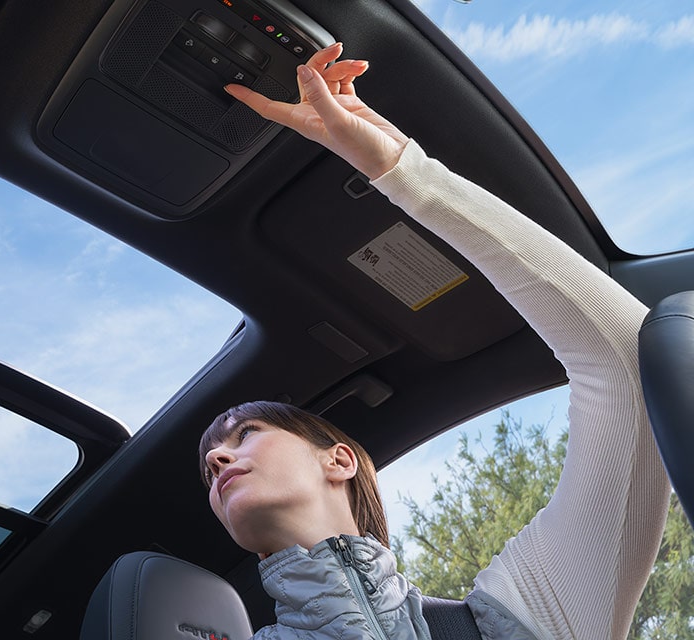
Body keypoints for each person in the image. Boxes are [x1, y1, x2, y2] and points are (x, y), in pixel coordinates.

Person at [200, 43, 671, 639]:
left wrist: (403, 171)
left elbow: (623, 354)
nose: (217, 458)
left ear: (339, 460)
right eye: (210, 464)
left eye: (247, 434)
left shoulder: (516, 617)